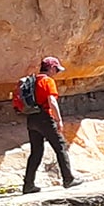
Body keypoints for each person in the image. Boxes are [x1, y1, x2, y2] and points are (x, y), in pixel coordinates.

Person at [19, 55, 78, 194]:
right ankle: (68, 179)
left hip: (31, 118)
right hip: (45, 117)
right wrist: (58, 120)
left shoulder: (32, 81)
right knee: (60, 147)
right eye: (56, 70)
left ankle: (28, 185)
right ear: (51, 68)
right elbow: (52, 101)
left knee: (36, 152)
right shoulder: (47, 81)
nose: (56, 73)